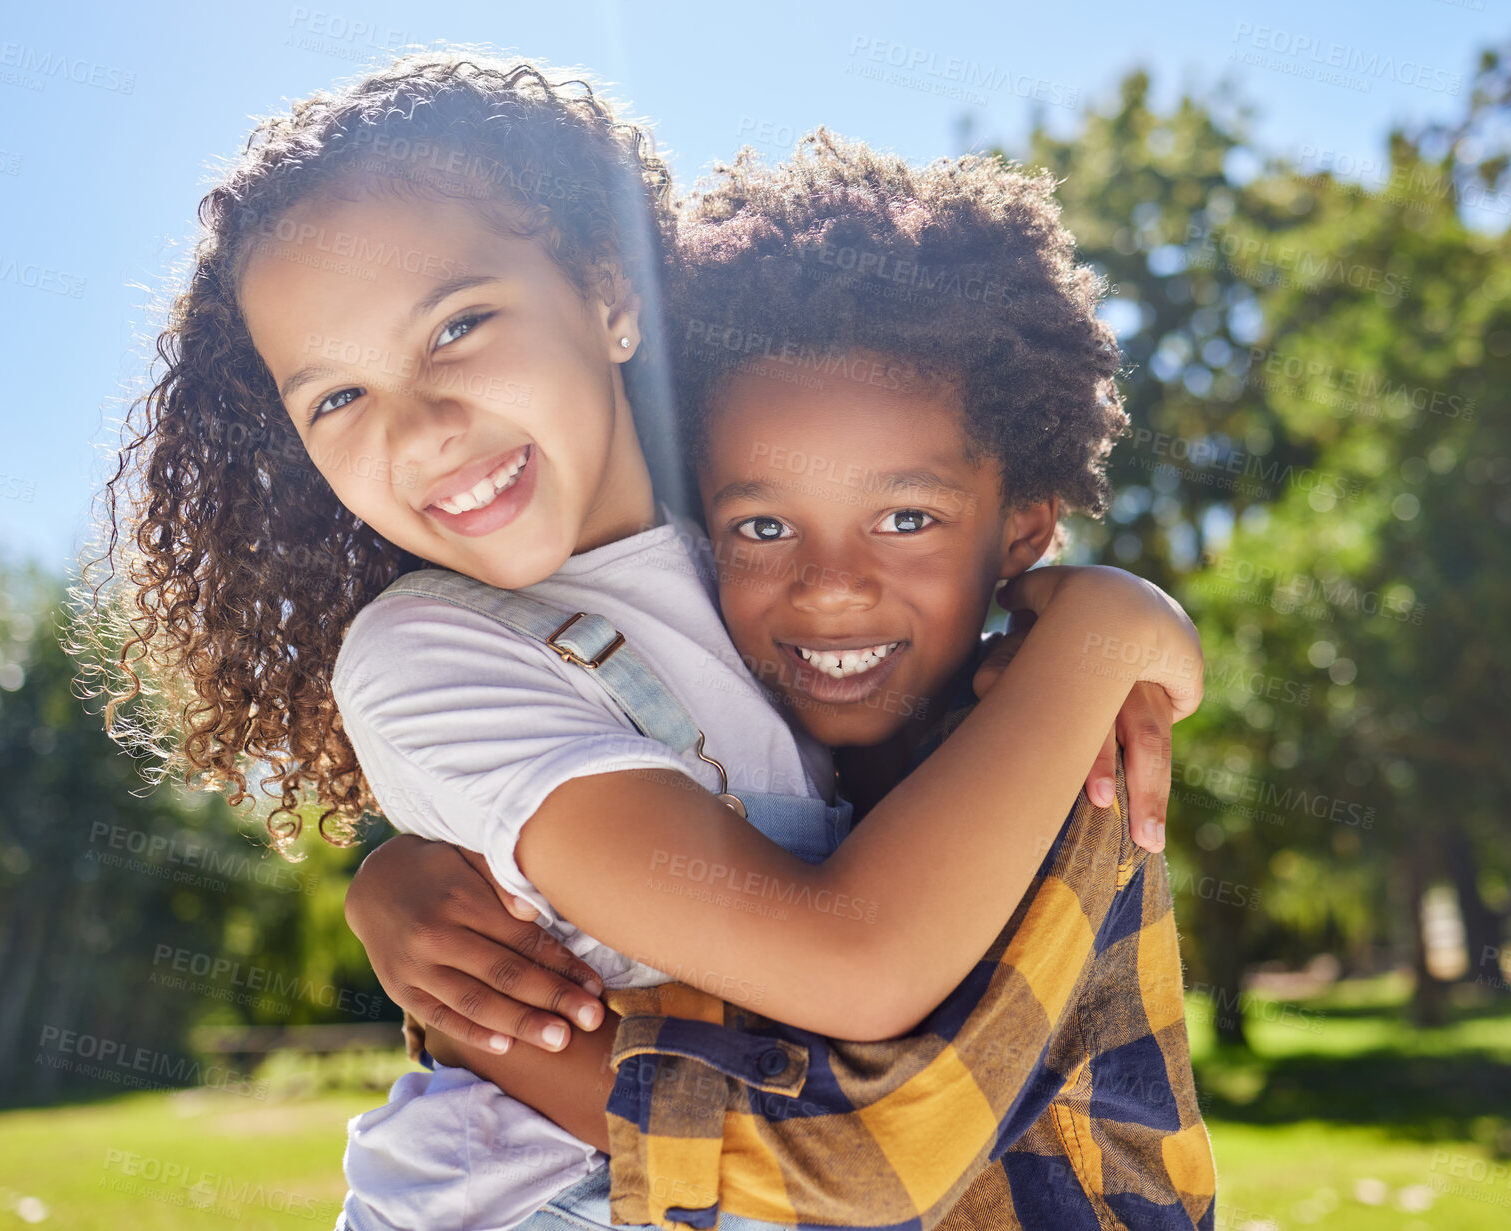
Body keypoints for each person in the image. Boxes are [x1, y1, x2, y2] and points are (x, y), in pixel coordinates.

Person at [83, 50, 1201, 1231]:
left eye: (457, 326)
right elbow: (855, 961)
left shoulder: (753, 557)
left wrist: (1100, 641)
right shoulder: (426, 654)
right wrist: (1106, 631)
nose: (422, 431)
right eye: (337, 399)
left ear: (608, 297)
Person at [350, 134, 1217, 1231]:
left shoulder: (1070, 764)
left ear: (1026, 529)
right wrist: (402, 874)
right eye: (760, 526)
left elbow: (858, 1154)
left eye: (906, 518)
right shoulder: (754, 715)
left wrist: (1116, 618)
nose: (831, 590)